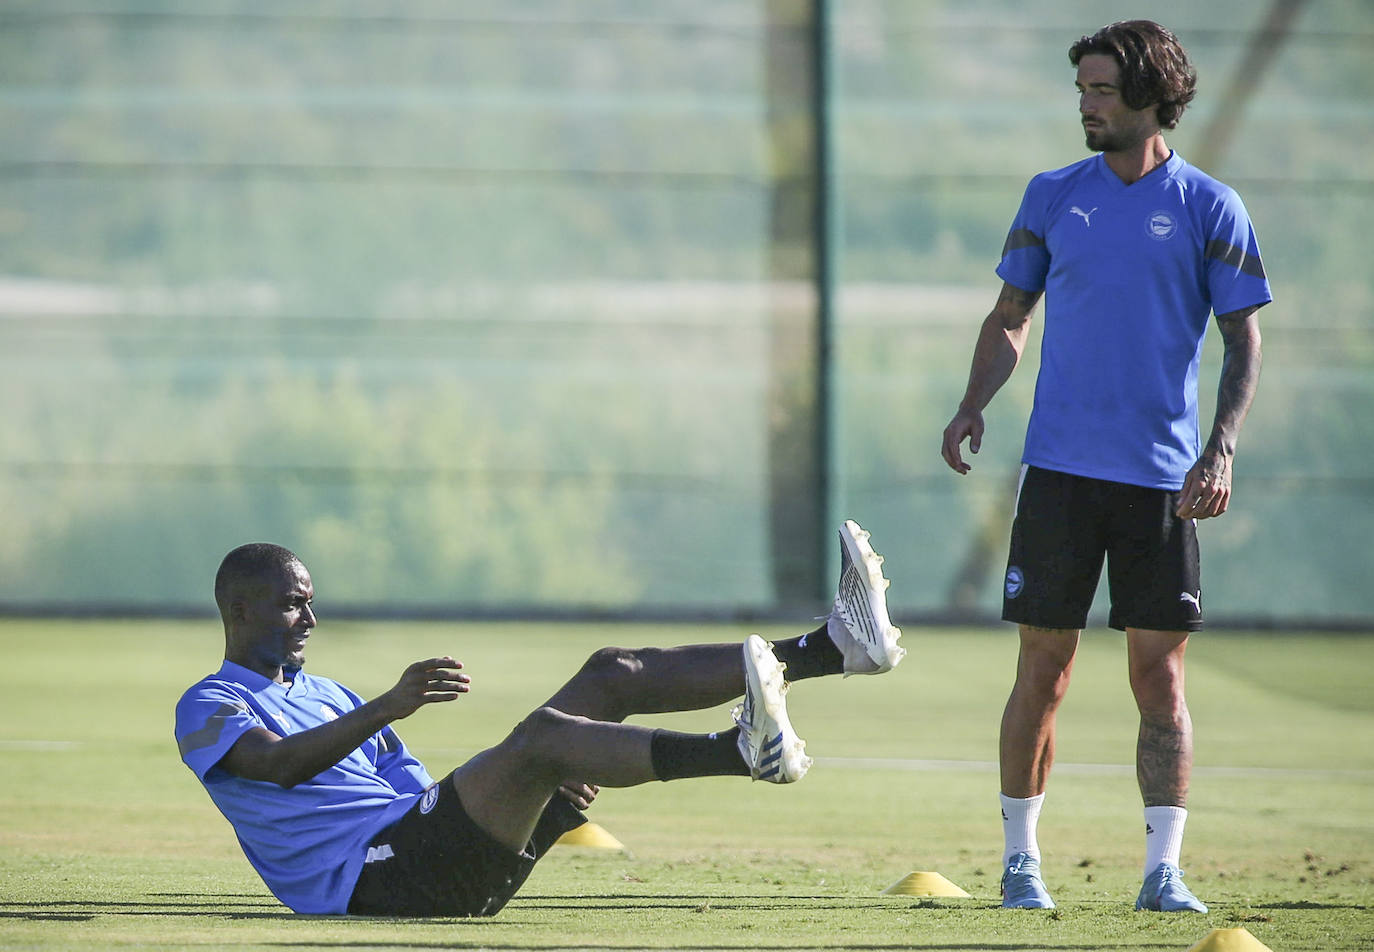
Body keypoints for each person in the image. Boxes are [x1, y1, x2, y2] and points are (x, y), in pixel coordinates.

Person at [940, 20, 1270, 913]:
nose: (1086, 105)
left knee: (1159, 681)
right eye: (1080, 89)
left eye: (1101, 91)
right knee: (1042, 669)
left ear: (1153, 96)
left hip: (1163, 481)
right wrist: (974, 401)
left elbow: (1244, 340)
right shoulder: (1053, 195)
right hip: (1058, 475)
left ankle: (1163, 872)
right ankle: (1020, 864)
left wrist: (1222, 445)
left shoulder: (1210, 206)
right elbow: (1012, 313)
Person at [175, 521, 905, 917]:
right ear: (239, 610)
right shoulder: (209, 703)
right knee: (543, 739)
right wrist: (393, 705)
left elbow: (420, 797)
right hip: (374, 883)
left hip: (425, 853)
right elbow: (277, 765)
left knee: (608, 674)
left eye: (308, 600)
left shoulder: (327, 691)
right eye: (290, 603)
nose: (309, 616)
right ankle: (739, 752)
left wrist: (543, 813)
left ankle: (832, 649)